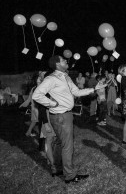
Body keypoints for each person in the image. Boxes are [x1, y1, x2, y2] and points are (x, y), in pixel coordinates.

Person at [32, 55, 102, 184]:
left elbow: (76, 92)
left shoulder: (66, 76)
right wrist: (52, 104)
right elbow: (37, 95)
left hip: (65, 115)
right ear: (58, 64)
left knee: (59, 143)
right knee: (67, 146)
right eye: (64, 60)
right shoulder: (51, 78)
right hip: (61, 116)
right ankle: (69, 175)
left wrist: (94, 89)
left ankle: (57, 168)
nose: (66, 61)